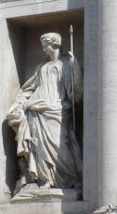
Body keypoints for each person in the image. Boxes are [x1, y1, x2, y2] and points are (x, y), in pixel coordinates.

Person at [6, 32, 82, 193]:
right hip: (37, 109)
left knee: (60, 144)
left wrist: (76, 70)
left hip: (57, 109)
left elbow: (74, 92)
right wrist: (20, 103)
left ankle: (70, 179)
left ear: (53, 44)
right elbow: (31, 87)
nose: (42, 47)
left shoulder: (66, 64)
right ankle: (46, 179)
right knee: (39, 146)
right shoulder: (42, 66)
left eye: (44, 44)